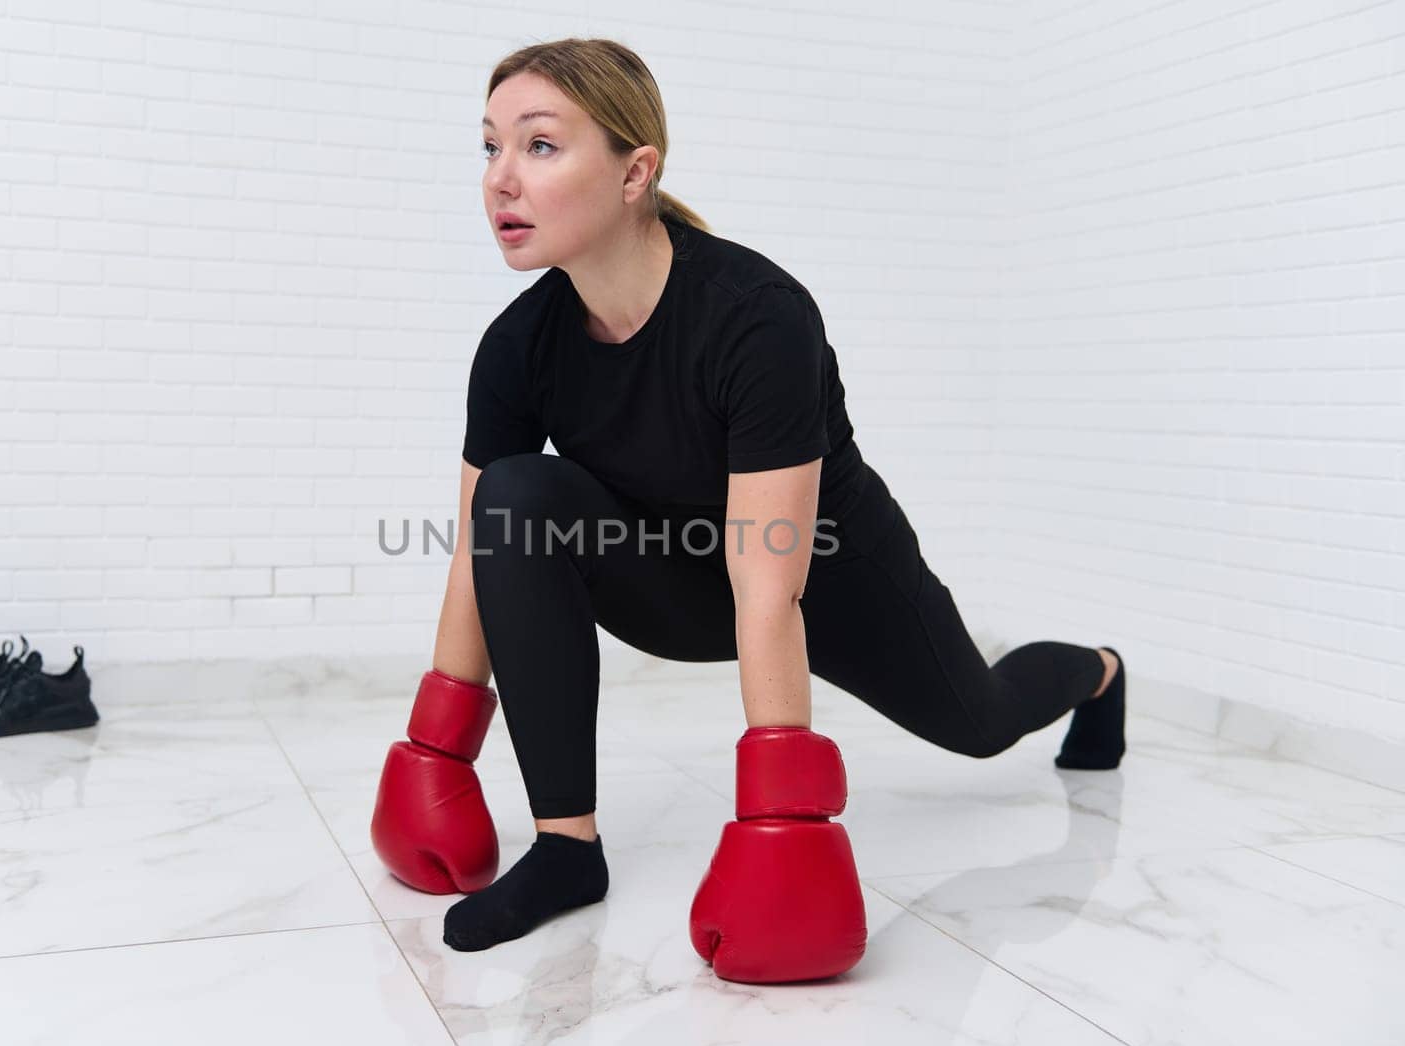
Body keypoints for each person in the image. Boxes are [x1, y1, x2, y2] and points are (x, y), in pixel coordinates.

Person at [369, 37, 1127, 985]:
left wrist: (784, 825)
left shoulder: (756, 317)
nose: (501, 180)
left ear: (635, 170)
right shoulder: (519, 346)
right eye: (489, 149)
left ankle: (1098, 673)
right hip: (677, 581)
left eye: (540, 146)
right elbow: (476, 557)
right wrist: (436, 753)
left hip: (831, 580)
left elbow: (770, 584)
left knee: (979, 719)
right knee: (519, 498)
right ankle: (568, 846)